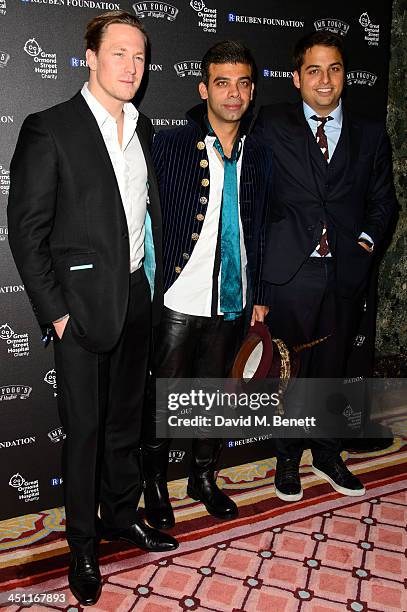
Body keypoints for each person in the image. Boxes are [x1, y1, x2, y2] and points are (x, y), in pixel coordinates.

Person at [7, 10, 177, 607]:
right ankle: (82, 544)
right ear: (91, 57)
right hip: (77, 310)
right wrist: (56, 314)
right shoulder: (49, 128)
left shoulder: (144, 127)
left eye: (140, 56)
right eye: (120, 54)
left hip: (135, 297)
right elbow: (26, 234)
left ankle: (121, 514)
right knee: (83, 432)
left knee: (124, 422)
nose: (133, 67)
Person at [253, 31, 397, 502]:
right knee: (292, 371)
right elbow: (252, 198)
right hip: (289, 270)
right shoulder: (271, 125)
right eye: (313, 70)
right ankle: (288, 458)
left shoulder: (371, 134)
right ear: (297, 78)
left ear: (344, 77)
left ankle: (328, 453)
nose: (324, 79)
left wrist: (363, 243)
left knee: (333, 368)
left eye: (333, 69)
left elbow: (383, 203)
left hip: (343, 272)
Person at [142, 41, 271, 530]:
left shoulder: (259, 154)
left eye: (242, 83)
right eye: (222, 82)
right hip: (179, 295)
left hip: (233, 299)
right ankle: (154, 483)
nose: (233, 93)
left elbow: (258, 227)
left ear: (252, 91)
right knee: (167, 396)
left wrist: (261, 296)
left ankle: (202, 478)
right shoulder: (173, 144)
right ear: (203, 89)